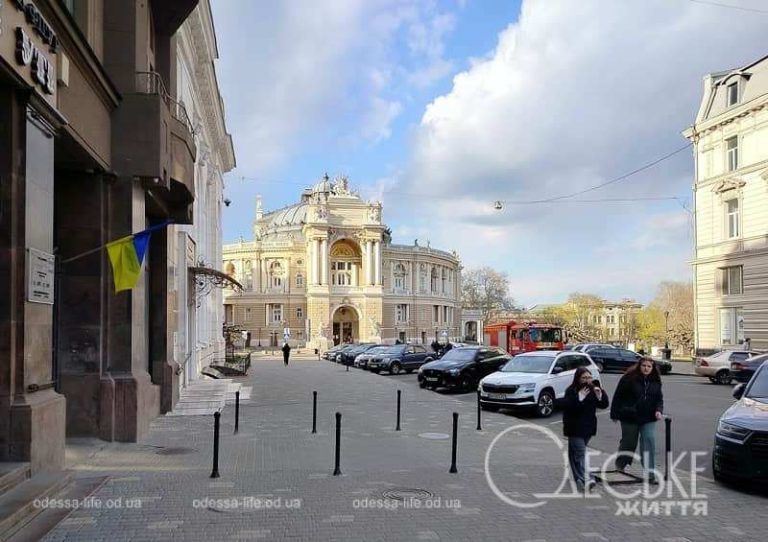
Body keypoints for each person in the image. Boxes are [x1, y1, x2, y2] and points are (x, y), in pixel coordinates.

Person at [610, 358, 664, 482]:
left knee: (648, 441)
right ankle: (621, 464)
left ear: (653, 368)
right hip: (630, 416)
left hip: (648, 417)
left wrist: (658, 410)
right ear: (639, 366)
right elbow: (618, 396)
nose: (646, 368)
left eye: (649, 366)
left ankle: (650, 474)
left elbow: (659, 399)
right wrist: (615, 414)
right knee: (629, 442)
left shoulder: (656, 381)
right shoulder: (629, 379)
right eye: (644, 365)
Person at [562, 367, 609, 493]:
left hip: (588, 427)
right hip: (574, 428)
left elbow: (604, 404)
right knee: (580, 453)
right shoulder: (571, 391)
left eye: (589, 377)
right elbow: (568, 407)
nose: (587, 380)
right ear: (578, 379)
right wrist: (579, 398)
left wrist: (600, 395)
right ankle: (588, 478)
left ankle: (579, 478)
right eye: (584, 378)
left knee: (575, 455)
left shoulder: (593, 389)